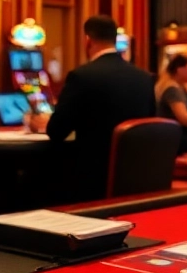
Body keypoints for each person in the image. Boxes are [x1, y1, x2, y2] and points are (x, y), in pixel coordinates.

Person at [30, 14, 155, 201]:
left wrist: (45, 122)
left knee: (29, 181)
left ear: (88, 40)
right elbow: (149, 124)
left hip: (91, 180)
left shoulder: (81, 76)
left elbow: (56, 132)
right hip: (137, 175)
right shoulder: (144, 78)